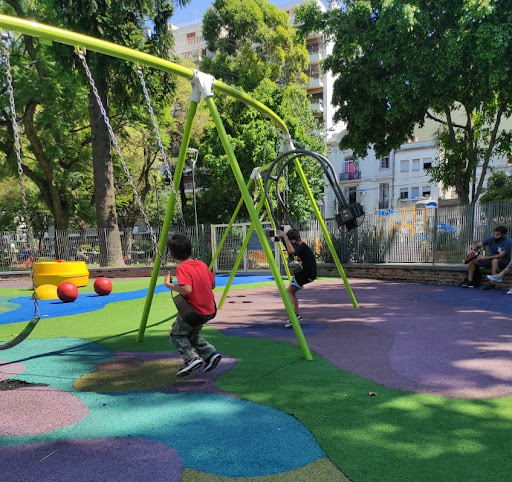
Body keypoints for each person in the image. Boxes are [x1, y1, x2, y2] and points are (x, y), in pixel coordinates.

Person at [164, 233, 221, 377]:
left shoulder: (182, 268)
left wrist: (169, 285)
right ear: (192, 250)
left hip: (194, 311)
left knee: (176, 334)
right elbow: (213, 284)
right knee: (191, 333)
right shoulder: (201, 264)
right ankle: (210, 354)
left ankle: (191, 359)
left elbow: (187, 289)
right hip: (209, 310)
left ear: (171, 255)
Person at [276, 228, 317, 328]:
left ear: (294, 240)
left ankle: (294, 315)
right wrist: (284, 238)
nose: (290, 243)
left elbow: (291, 251)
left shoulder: (300, 247)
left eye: (290, 241)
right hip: (309, 273)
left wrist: (285, 237)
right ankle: (296, 314)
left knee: (288, 292)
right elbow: (291, 249)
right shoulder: (302, 245)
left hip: (307, 274)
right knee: (291, 291)